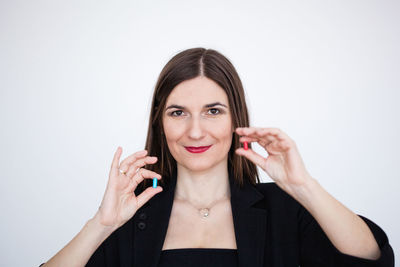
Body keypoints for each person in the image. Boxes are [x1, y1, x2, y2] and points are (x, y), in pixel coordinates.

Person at [40, 48, 394, 267]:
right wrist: (100, 227)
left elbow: (373, 260)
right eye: (178, 113)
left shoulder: (283, 209)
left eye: (213, 111)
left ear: (235, 119)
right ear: (160, 123)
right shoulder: (130, 214)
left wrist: (304, 187)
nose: (196, 131)